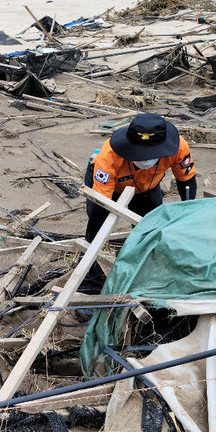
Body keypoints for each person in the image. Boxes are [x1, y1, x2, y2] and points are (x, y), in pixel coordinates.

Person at [80, 112, 197, 295]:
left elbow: (186, 180)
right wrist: (95, 236)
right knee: (95, 232)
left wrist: (189, 213)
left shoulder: (178, 148)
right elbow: (100, 206)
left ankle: (148, 270)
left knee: (152, 228)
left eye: (151, 155)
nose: (146, 159)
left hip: (148, 186)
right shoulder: (108, 158)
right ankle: (90, 281)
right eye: (140, 155)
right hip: (113, 188)